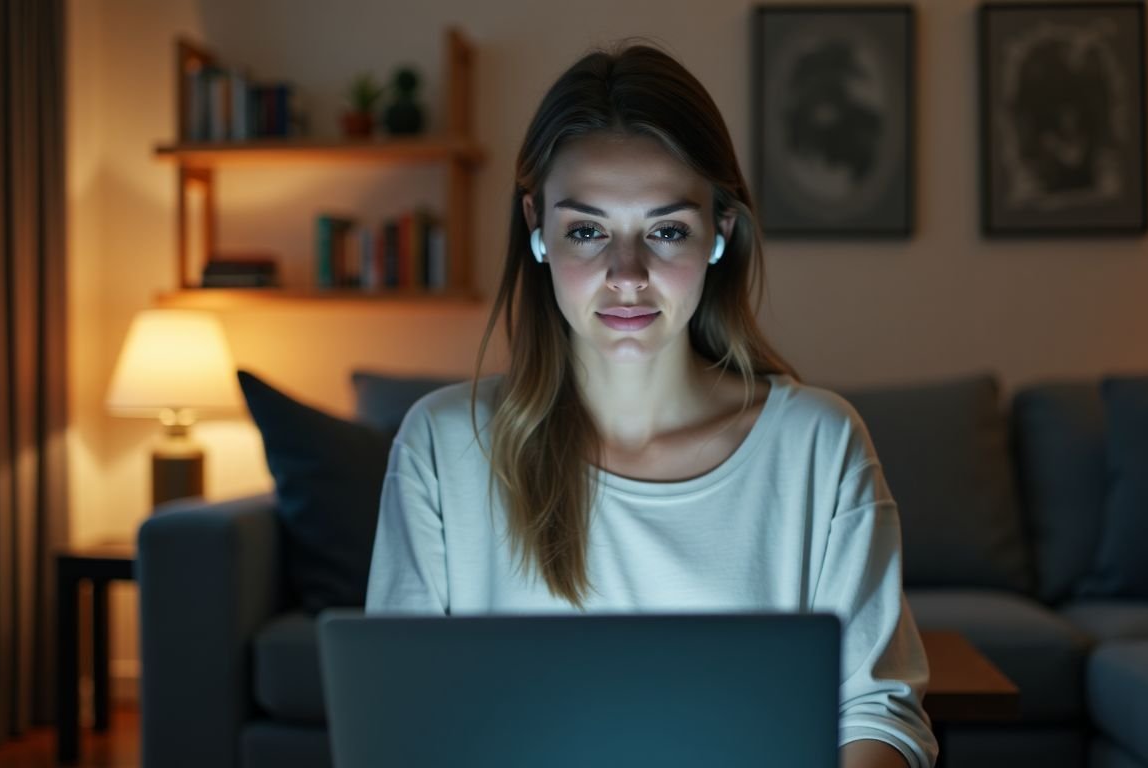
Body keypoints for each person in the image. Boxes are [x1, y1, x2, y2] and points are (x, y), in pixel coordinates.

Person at [365, 40, 938, 768]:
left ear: (720, 233)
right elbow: (402, 721)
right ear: (538, 229)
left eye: (666, 231)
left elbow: (878, 713)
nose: (626, 275)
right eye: (587, 231)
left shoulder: (819, 444)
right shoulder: (442, 448)